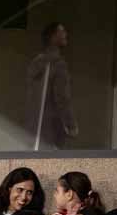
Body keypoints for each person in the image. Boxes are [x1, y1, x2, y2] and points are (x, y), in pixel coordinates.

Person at [26, 21, 78, 150]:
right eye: (62, 31)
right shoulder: (58, 64)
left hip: (34, 130)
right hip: (52, 130)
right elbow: (62, 97)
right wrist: (71, 124)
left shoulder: (36, 63)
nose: (66, 34)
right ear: (53, 37)